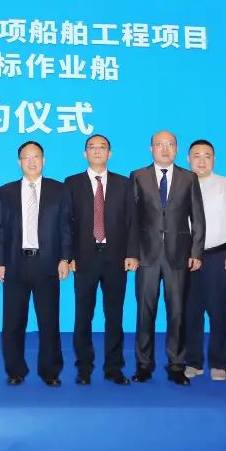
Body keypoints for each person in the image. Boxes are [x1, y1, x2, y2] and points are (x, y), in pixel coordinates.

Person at [127, 131, 206, 385]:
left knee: (177, 313)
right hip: (146, 255)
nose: (164, 149)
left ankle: (176, 365)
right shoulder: (138, 176)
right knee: (144, 312)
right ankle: (144, 365)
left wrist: (196, 252)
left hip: (178, 255)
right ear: (151, 148)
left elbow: (198, 218)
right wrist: (132, 253)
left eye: (169, 144)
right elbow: (132, 219)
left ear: (176, 149)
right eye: (159, 144)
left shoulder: (188, 177)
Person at [0, 141, 72, 387]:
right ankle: (15, 370)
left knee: (49, 322)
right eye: (26, 157)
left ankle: (50, 371)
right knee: (13, 322)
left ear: (43, 160)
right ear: (19, 162)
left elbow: (66, 227)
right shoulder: (5, 192)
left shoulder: (59, 190)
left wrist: (65, 258)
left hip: (48, 263)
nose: (31, 161)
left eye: (36, 156)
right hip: (15, 263)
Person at [64, 133, 133, 386]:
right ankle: (84, 367)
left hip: (116, 258)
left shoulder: (124, 183)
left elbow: (132, 221)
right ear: (85, 153)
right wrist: (68, 256)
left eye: (102, 147)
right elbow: (66, 224)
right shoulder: (72, 183)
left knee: (114, 316)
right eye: (92, 147)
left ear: (109, 154)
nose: (97, 150)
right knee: (83, 315)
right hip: (84, 258)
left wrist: (132, 253)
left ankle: (114, 367)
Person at [183, 139, 226, 381]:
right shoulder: (180, 185)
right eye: (196, 156)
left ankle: (219, 363)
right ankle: (193, 362)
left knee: (218, 311)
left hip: (218, 255)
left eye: (207, 155)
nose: (202, 160)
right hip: (187, 257)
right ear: (188, 159)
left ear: (214, 159)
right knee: (190, 312)